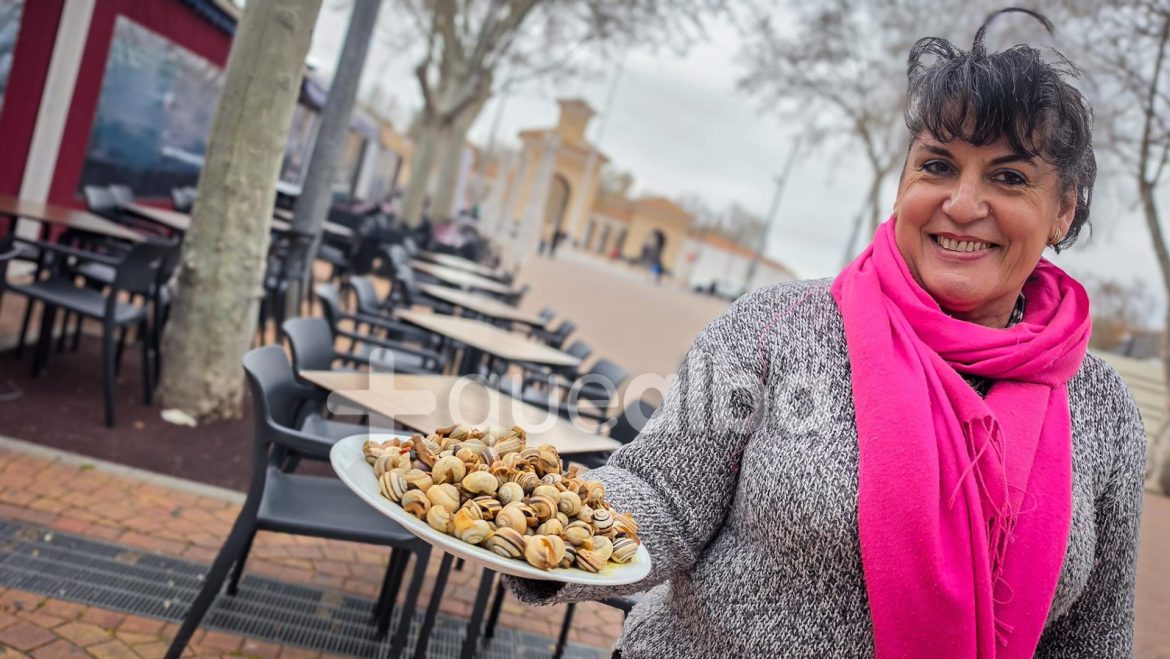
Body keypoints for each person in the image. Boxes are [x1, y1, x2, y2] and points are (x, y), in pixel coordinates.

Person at [509, 9, 1145, 658]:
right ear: (903, 184)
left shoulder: (1105, 413)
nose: (961, 202)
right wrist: (539, 522)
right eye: (938, 166)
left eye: (1008, 177)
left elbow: (1092, 641)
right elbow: (662, 493)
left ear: (1062, 210)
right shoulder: (776, 325)